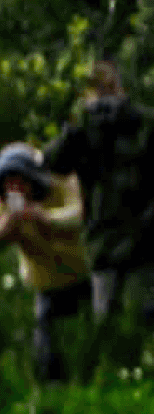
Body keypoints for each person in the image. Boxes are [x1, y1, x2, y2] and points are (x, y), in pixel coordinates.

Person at [43, 61, 154, 321]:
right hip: (104, 243)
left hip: (145, 242)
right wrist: (76, 127)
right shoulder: (85, 129)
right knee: (107, 325)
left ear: (119, 87)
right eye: (95, 89)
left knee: (149, 318)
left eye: (107, 87)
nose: (103, 95)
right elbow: (53, 163)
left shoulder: (146, 123)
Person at [0, 143, 89, 383]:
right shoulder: (6, 202)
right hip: (46, 284)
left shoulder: (62, 180)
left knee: (90, 340)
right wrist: (7, 229)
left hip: (82, 276)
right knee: (47, 352)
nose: (14, 190)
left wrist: (46, 218)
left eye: (19, 182)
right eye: (8, 184)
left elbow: (80, 214)